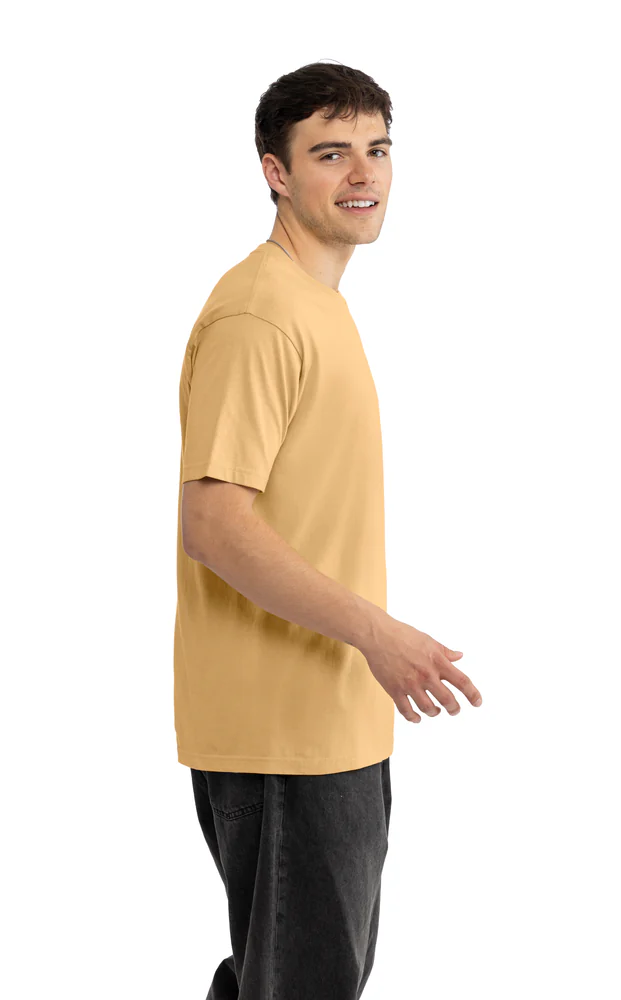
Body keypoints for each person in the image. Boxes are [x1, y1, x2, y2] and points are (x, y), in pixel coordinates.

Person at [174, 60, 483, 1000]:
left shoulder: (316, 303)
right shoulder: (261, 314)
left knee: (287, 978)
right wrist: (377, 634)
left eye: (378, 149)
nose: (363, 173)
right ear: (275, 171)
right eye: (331, 153)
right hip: (284, 731)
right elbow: (213, 523)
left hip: (330, 721)